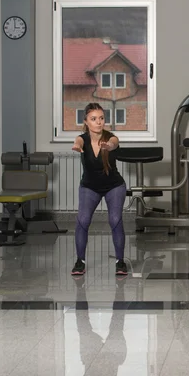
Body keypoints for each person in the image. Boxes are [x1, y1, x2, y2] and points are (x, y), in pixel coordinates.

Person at [70, 103, 128, 277]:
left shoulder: (111, 137)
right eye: (94, 119)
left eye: (101, 118)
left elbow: (113, 143)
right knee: (83, 220)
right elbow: (78, 141)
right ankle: (80, 261)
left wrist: (109, 147)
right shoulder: (82, 139)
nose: (98, 122)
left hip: (114, 186)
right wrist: (76, 145)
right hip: (89, 186)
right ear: (86, 121)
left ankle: (120, 262)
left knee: (115, 219)